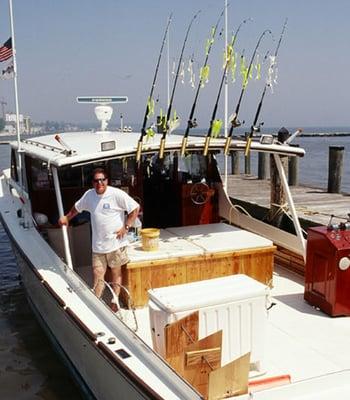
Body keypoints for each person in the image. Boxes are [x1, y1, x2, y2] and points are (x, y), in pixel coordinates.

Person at [58, 167, 139, 309]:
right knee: (97, 273)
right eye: (96, 180)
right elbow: (77, 208)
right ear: (92, 182)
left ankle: (114, 301)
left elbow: (135, 208)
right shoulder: (89, 195)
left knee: (116, 272)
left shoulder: (116, 194)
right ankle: (96, 301)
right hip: (98, 245)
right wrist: (67, 217)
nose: (100, 183)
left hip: (116, 244)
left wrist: (126, 227)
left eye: (102, 180)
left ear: (107, 181)